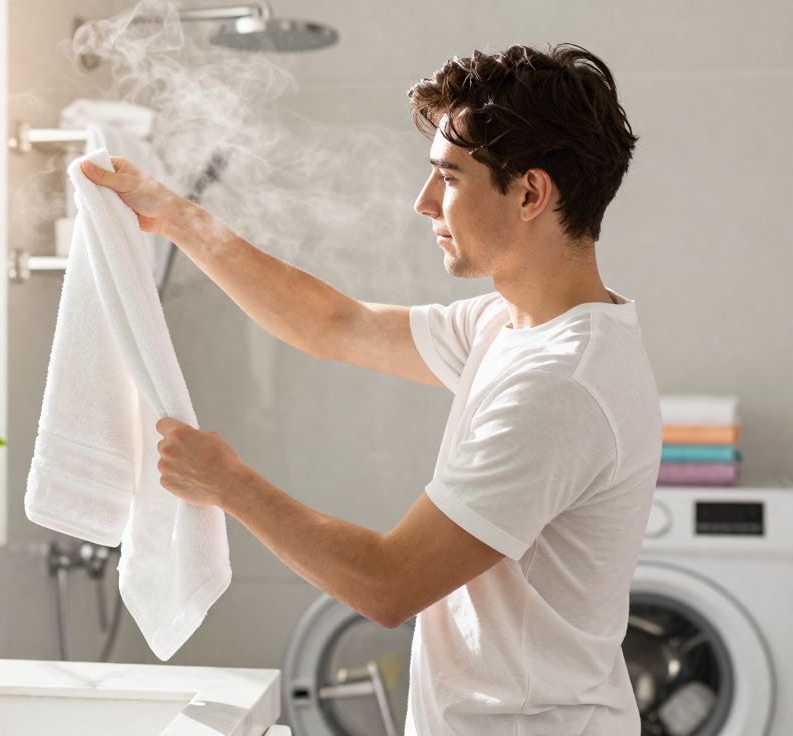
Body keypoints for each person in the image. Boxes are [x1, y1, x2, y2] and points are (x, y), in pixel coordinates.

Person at [80, 43, 660, 735]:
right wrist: (173, 215)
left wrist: (230, 483)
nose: (424, 204)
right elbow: (335, 324)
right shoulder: (511, 326)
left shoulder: (561, 385)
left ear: (531, 192)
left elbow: (389, 584)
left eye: (448, 178)